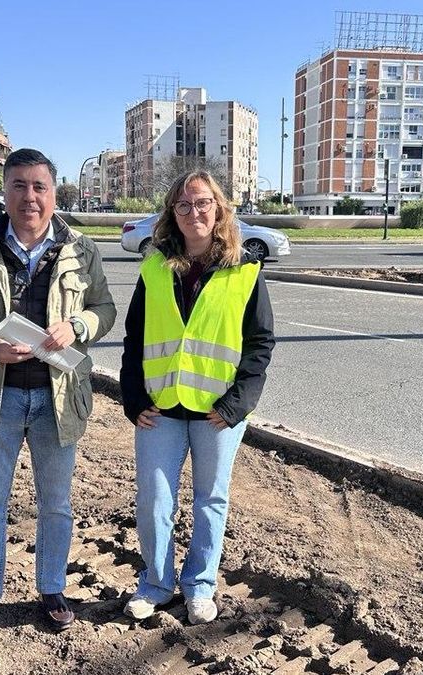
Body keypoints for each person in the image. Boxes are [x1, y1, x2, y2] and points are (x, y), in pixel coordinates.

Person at [0, 148, 116, 644]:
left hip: (57, 402)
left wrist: (79, 325)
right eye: (19, 185)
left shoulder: (82, 249)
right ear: (6, 191)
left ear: (54, 193)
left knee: (56, 505)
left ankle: (52, 590)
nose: (30, 197)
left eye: (39, 187)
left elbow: (105, 307)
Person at [119, 171, 275, 625]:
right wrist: (133, 398)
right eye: (183, 206)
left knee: (211, 500)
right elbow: (134, 338)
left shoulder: (245, 269)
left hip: (217, 414)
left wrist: (235, 405)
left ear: (219, 208)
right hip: (161, 409)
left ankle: (200, 585)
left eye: (203, 203)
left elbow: (260, 343)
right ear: (172, 214)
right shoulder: (153, 267)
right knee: (153, 499)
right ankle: (156, 584)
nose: (194, 213)